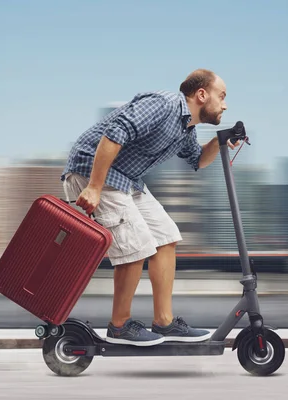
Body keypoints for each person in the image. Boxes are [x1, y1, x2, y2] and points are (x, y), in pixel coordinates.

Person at [60, 68, 240, 346]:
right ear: (202, 95)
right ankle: (119, 326)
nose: (225, 104)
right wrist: (94, 187)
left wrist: (219, 140)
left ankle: (164, 322)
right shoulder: (164, 104)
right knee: (136, 246)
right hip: (91, 171)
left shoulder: (186, 128)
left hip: (126, 179)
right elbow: (113, 133)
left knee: (166, 237)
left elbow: (198, 160)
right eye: (222, 96)